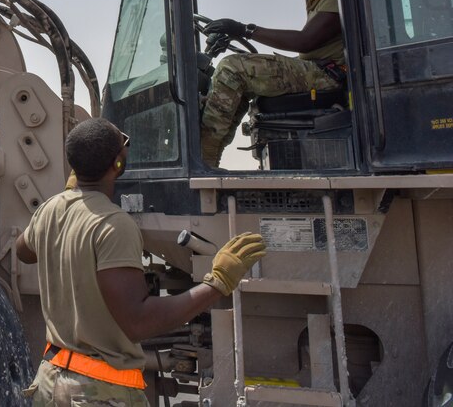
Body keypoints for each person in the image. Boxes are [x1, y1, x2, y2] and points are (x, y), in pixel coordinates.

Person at [15, 118, 266, 406]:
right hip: (96, 394)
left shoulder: (50, 210)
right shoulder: (113, 224)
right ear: (117, 164)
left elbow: (24, 251)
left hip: (50, 384)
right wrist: (218, 283)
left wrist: (65, 213)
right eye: (124, 146)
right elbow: (138, 322)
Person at [200, 0, 345, 167]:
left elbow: (305, 41)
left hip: (329, 75)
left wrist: (244, 29)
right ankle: (210, 157)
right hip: (319, 69)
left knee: (232, 68)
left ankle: (203, 157)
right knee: (237, 81)